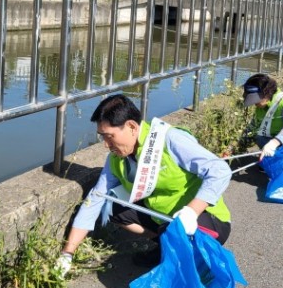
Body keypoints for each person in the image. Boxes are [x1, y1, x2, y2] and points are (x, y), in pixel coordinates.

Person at [56, 94, 232, 275]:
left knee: (186, 272)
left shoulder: (170, 139)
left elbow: (220, 170)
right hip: (165, 219)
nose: (106, 145)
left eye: (110, 137)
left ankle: (182, 256)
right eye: (102, 137)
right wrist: (67, 253)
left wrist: (191, 212)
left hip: (203, 219)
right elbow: (95, 200)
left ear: (132, 127)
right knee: (113, 206)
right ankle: (165, 246)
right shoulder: (116, 158)